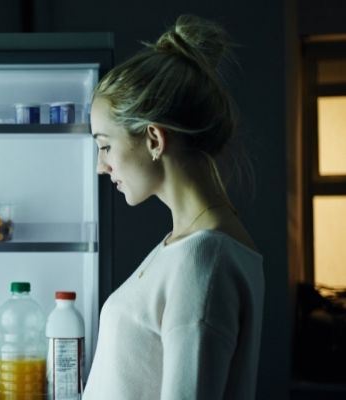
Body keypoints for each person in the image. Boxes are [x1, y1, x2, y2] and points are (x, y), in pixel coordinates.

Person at [83, 15, 264, 400]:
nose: (101, 167)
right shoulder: (185, 248)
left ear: (153, 138)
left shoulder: (204, 259)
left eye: (104, 145)